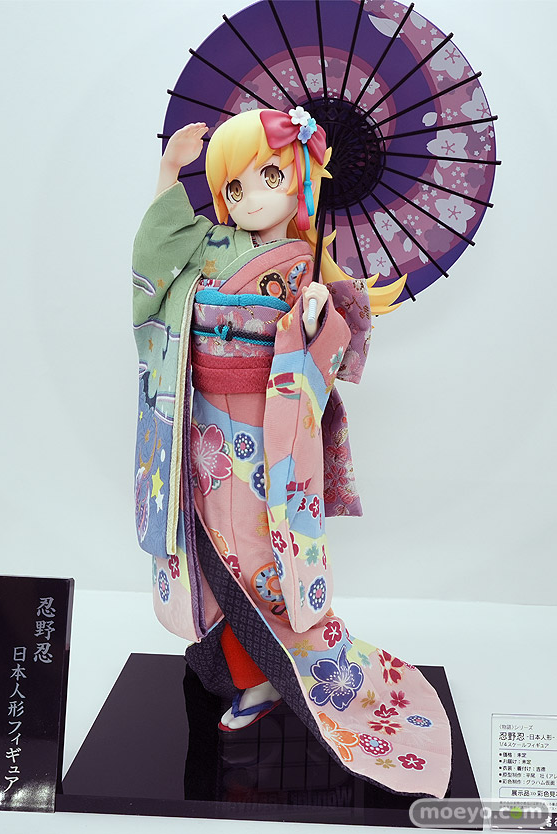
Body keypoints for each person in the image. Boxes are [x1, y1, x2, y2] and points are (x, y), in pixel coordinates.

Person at [132, 107, 452, 797]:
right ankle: (235, 665)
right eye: (234, 186)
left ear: (303, 177)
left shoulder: (308, 266)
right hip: (205, 432)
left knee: (259, 561)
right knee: (206, 549)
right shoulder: (211, 243)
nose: (250, 198)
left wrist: (314, 321)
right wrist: (168, 173)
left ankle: (267, 678)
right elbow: (156, 261)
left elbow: (334, 349)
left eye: (270, 177)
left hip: (268, 439)